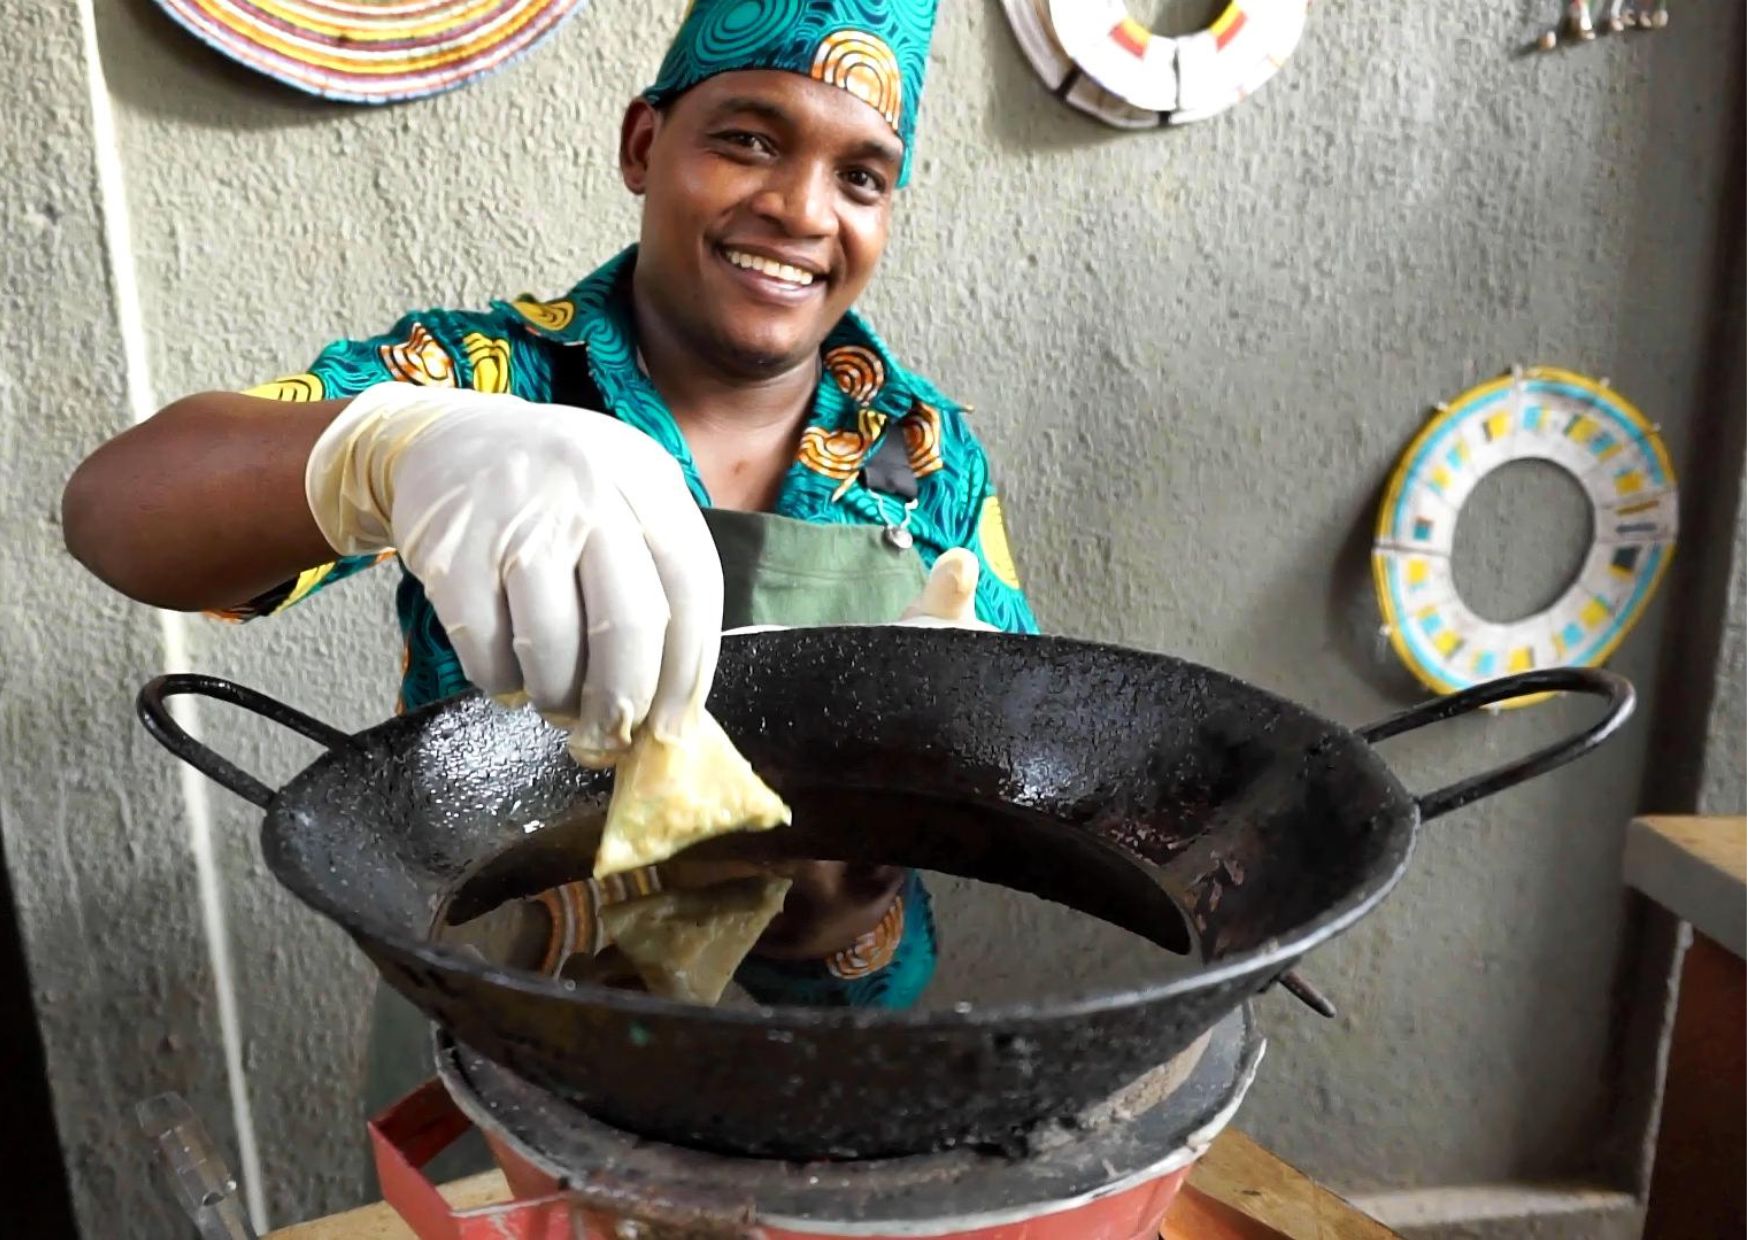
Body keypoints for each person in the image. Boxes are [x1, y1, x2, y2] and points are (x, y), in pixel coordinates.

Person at [63, 0, 1036, 1170]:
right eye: (747, 139)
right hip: (514, 1043)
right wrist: (393, 451)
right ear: (641, 145)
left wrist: (957, 774)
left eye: (863, 176)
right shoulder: (494, 381)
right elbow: (115, 511)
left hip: (836, 1060)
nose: (800, 209)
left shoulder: (922, 446)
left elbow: (1029, 752)